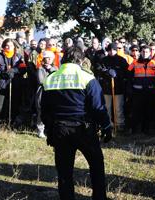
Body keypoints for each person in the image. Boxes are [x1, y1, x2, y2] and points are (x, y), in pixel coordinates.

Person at [41, 47, 112, 200]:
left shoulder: (50, 78)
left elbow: (44, 109)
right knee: (96, 165)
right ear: (80, 60)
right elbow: (98, 107)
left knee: (64, 171)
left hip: (60, 129)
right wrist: (106, 127)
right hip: (84, 129)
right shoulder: (87, 77)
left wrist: (49, 129)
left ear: (63, 59)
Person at [96, 43, 129, 132]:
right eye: (110, 50)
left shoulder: (121, 60)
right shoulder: (104, 60)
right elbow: (99, 69)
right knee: (107, 107)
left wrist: (117, 73)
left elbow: (126, 72)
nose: (112, 51)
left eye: (113, 50)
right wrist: (107, 71)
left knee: (118, 107)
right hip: (106, 88)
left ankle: (120, 124)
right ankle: (108, 124)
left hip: (118, 88)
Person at [0, 38, 26, 123]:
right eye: (6, 45)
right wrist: (3, 74)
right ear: (3, 46)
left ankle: (12, 122)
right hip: (2, 85)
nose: (8, 47)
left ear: (14, 46)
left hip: (15, 84)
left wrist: (14, 71)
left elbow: (23, 69)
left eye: (11, 45)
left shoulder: (19, 57)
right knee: (0, 106)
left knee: (14, 105)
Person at [127, 45, 155, 134]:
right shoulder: (134, 63)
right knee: (136, 111)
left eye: (147, 52)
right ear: (140, 52)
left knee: (148, 110)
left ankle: (147, 129)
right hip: (137, 91)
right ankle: (135, 129)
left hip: (150, 91)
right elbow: (128, 76)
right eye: (143, 51)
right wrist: (129, 89)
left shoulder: (154, 63)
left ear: (150, 53)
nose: (145, 53)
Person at [34, 51, 57, 138]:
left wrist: (51, 69)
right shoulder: (41, 69)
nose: (48, 60)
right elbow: (41, 81)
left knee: (52, 110)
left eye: (50, 58)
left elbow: (56, 77)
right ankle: (40, 130)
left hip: (53, 92)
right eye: (47, 58)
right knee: (41, 110)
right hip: (42, 92)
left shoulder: (55, 68)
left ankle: (51, 129)